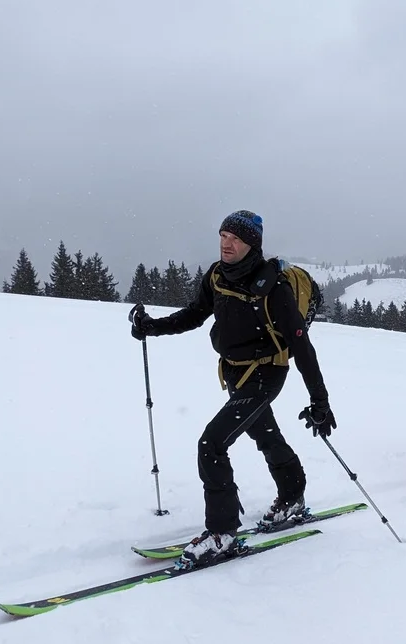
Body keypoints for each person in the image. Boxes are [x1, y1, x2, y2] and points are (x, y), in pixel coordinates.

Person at [128, 209, 336, 565]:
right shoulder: (217, 275)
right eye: (223, 236)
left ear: (251, 243)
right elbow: (195, 314)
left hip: (265, 375)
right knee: (265, 435)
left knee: (211, 443)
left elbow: (301, 346)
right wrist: (153, 327)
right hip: (234, 373)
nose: (226, 244)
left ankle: (222, 533)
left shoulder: (274, 287)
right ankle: (292, 496)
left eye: (234, 238)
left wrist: (320, 401)